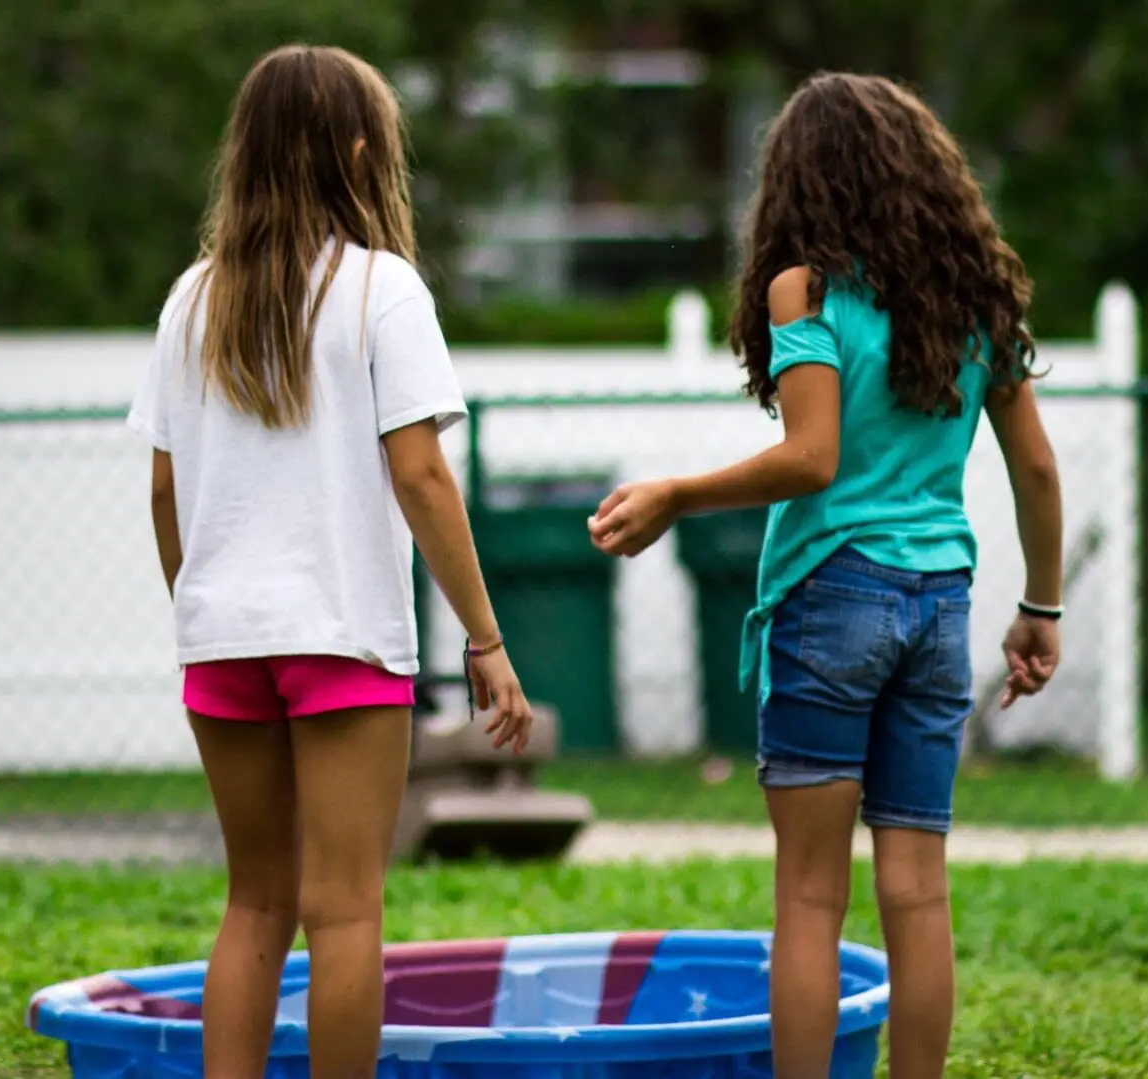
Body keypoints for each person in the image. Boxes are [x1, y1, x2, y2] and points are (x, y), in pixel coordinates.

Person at [587, 72, 1065, 1079]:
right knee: (917, 890)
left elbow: (812, 459)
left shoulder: (805, 290)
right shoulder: (977, 298)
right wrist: (1040, 605)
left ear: (798, 185)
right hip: (940, 603)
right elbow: (1035, 465)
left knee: (809, 895)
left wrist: (675, 492)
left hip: (834, 592)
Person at [128, 44, 534, 1079]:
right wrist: (484, 637)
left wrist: (208, 605)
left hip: (222, 641)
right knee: (345, 908)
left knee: (253, 898)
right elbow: (424, 476)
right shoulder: (380, 292)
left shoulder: (189, 302)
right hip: (342, 639)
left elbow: (166, 490)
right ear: (358, 151)